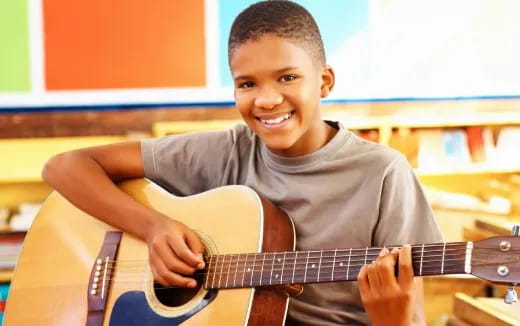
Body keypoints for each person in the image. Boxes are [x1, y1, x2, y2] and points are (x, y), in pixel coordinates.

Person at [42, 1, 443, 325]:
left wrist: (392, 320)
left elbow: (413, 313)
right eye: (247, 84)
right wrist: (153, 228)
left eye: (287, 77)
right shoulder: (225, 151)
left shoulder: (385, 174)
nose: (266, 100)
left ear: (324, 81)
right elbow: (63, 167)